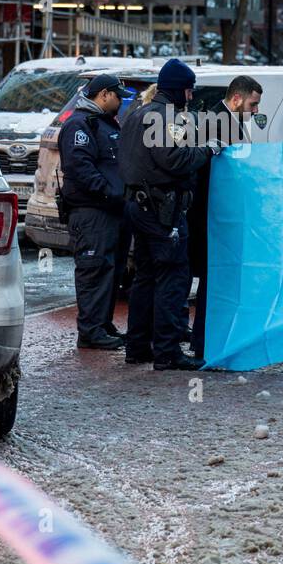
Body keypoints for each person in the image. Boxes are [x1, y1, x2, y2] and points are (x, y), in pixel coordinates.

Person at [119, 58, 217, 370]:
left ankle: (138, 346)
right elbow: (174, 159)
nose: (190, 97)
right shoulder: (167, 118)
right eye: (188, 91)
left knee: (146, 277)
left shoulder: (137, 114)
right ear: (177, 90)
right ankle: (167, 351)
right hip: (164, 209)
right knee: (172, 278)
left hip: (139, 204)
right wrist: (207, 150)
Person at [188, 75, 263, 358]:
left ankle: (205, 341)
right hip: (211, 216)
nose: (256, 111)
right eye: (253, 104)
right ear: (236, 99)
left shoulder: (224, 121)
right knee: (213, 279)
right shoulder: (217, 124)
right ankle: (206, 343)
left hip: (216, 216)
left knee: (213, 280)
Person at [57, 74, 128, 351]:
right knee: (94, 271)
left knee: (110, 271)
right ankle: (90, 331)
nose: (121, 102)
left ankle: (102, 325)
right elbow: (80, 167)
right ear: (104, 95)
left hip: (110, 210)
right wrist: (109, 191)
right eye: (118, 96)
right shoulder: (80, 124)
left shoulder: (102, 123)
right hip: (92, 211)